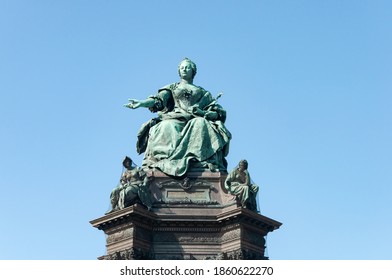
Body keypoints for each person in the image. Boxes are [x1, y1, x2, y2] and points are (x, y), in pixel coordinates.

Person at [124, 58, 231, 177]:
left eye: (187, 67)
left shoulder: (203, 93)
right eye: (182, 67)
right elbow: (158, 100)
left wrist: (203, 112)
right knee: (166, 126)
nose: (184, 69)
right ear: (179, 71)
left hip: (195, 119)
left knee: (201, 124)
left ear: (193, 71)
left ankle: (196, 159)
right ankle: (167, 160)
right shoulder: (172, 88)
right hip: (174, 118)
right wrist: (142, 103)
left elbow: (216, 111)